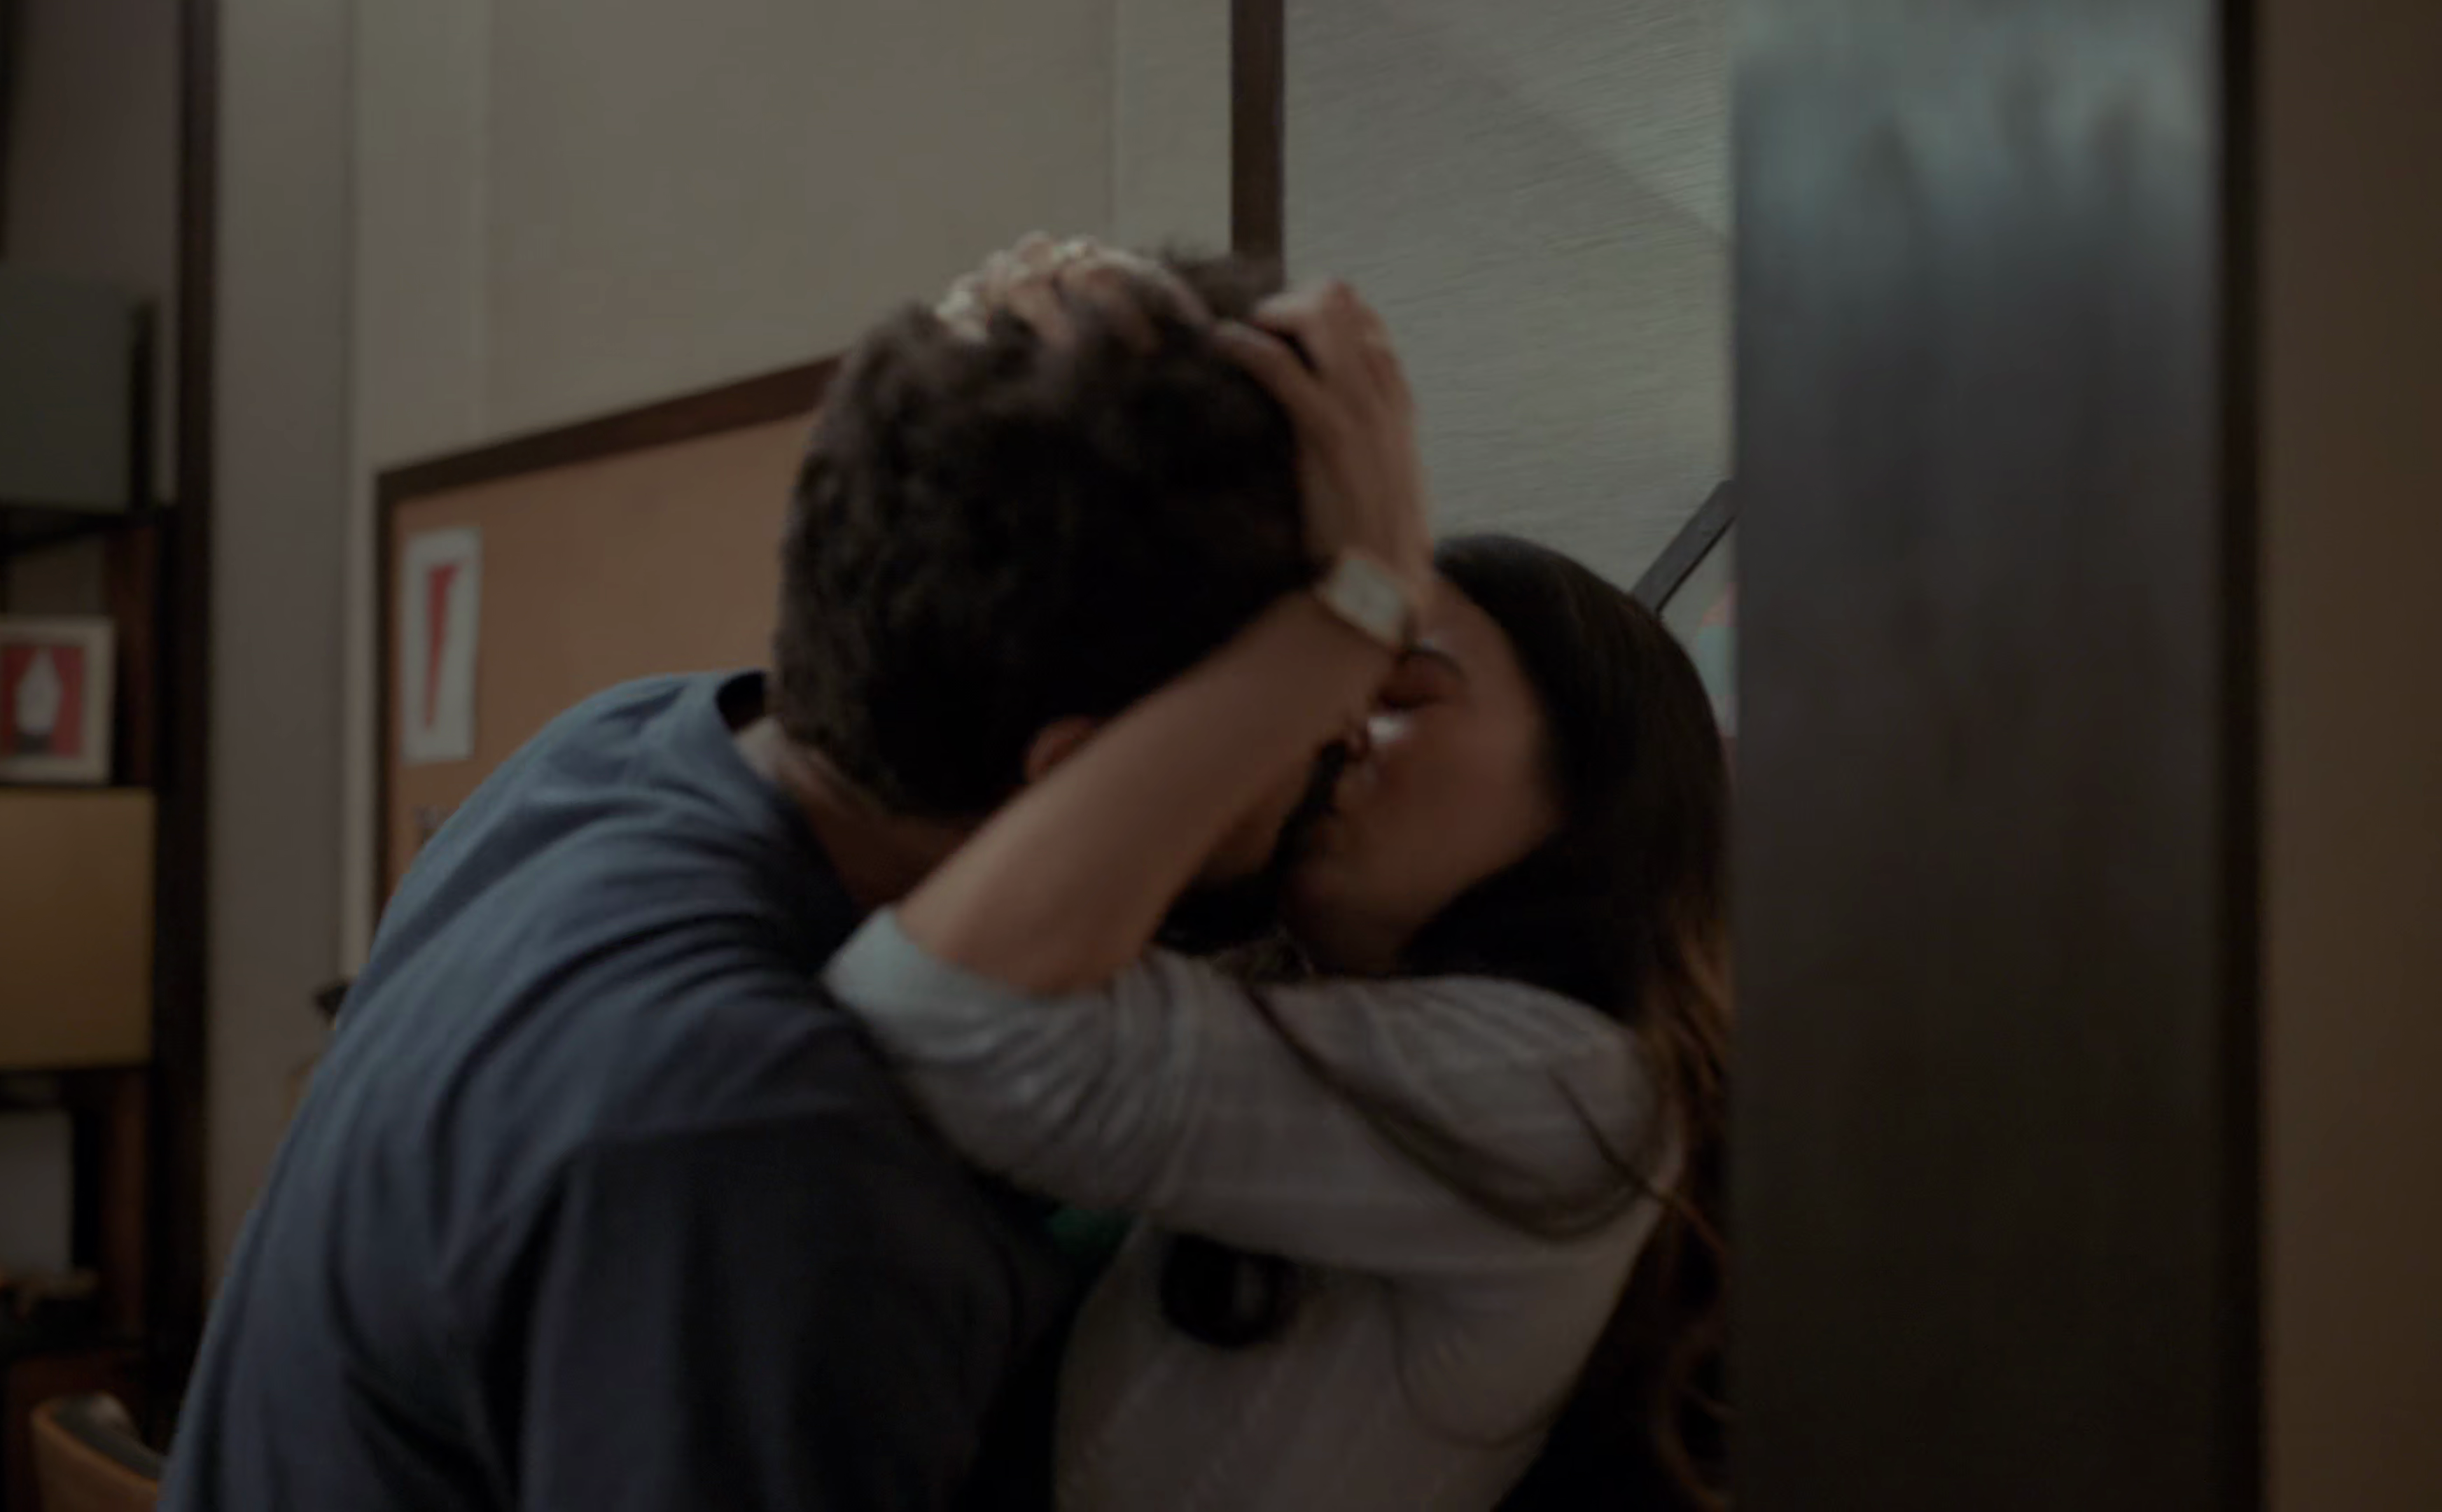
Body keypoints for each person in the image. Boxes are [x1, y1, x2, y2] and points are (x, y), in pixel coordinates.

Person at [157, 239, 1355, 1512]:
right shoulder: (760, 1136)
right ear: (1077, 774)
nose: (1342, 736)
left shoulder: (610, 747)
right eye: (1304, 698)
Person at [821, 276, 1731, 1511]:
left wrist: (1355, 603)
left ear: (1594, 789)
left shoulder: (1571, 1095)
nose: (1334, 725)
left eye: (1401, 693)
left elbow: (934, 1017)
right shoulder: (1295, 994)